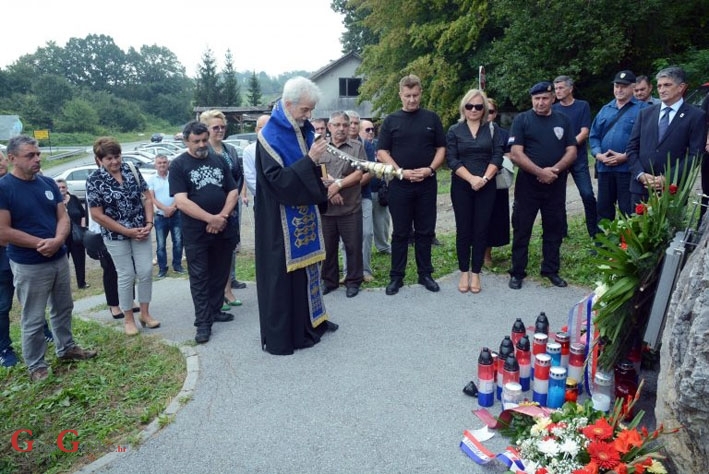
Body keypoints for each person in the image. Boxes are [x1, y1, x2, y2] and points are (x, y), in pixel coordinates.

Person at [0, 135, 97, 381]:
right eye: (30, 155)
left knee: (63, 307)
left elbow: (63, 217)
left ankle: (66, 348)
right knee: (33, 317)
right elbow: (3, 230)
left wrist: (56, 241)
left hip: (57, 258)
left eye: (38, 154)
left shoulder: (48, 183)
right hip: (29, 263)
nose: (37, 159)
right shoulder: (4, 188)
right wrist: (40, 244)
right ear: (12, 159)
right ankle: (36, 366)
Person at [255, 76, 338, 355]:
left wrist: (320, 183)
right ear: (289, 104)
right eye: (305, 110)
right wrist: (311, 161)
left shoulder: (301, 129)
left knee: (309, 271)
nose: (309, 115)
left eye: (311, 110)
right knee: (286, 278)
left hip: (304, 214)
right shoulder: (269, 137)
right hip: (279, 222)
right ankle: (289, 333)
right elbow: (278, 182)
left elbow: (307, 170)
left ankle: (313, 323)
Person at [170, 120, 240, 344]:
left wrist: (222, 217)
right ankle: (202, 323)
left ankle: (215, 309)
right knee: (200, 277)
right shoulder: (179, 165)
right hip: (197, 233)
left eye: (204, 140)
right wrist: (210, 219)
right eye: (196, 141)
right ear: (186, 140)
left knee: (220, 273)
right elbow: (181, 201)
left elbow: (232, 191)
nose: (201, 145)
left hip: (223, 228)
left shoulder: (218, 160)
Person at [377, 74, 446, 295]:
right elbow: (381, 152)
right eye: (407, 96)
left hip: (427, 183)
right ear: (400, 95)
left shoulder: (431, 119)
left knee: (425, 231)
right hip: (400, 185)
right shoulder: (391, 121)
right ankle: (396, 277)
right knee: (400, 233)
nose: (412, 100)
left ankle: (425, 274)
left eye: (415, 95)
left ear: (421, 93)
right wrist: (400, 172)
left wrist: (430, 169)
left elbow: (441, 149)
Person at [86, 137, 160, 336]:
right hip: (115, 236)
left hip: (141, 231)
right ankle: (128, 319)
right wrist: (125, 231)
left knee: (145, 271)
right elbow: (97, 214)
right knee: (126, 274)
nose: (114, 162)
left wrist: (149, 223)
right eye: (109, 158)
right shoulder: (94, 180)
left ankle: (145, 314)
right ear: (99, 160)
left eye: (117, 156)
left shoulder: (131, 169)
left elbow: (147, 197)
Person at [508, 82, 577, 290]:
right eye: (536, 99)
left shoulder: (563, 120)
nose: (540, 102)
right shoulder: (522, 120)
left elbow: (572, 151)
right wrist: (540, 172)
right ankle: (517, 272)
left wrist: (553, 171)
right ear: (532, 100)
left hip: (556, 184)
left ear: (552, 99)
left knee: (554, 228)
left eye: (544, 98)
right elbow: (515, 153)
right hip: (528, 184)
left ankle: (551, 270)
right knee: (522, 228)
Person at [446, 89, 504, 293]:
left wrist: (485, 178)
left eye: (479, 107)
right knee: (464, 229)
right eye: (470, 106)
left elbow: (497, 156)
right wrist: (471, 179)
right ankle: (464, 271)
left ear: (484, 109)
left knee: (481, 229)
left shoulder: (492, 129)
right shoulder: (455, 130)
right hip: (462, 185)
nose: (474, 110)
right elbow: (451, 159)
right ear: (464, 107)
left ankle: (476, 272)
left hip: (486, 186)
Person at [626, 66, 706, 205]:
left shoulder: (696, 116)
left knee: (671, 227)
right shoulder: (645, 114)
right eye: (659, 86)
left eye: (667, 85)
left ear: (681, 87)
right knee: (639, 227)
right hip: (641, 188)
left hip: (672, 189)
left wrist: (667, 178)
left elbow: (695, 155)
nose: (662, 90)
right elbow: (632, 148)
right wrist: (640, 175)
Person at [199, 110, 245, 307]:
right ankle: (214, 293)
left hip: (231, 208)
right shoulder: (202, 151)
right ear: (206, 130)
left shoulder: (230, 150)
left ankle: (227, 289)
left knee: (228, 250)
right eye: (215, 127)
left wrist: (233, 202)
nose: (219, 130)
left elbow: (238, 176)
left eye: (222, 127)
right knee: (211, 252)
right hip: (210, 211)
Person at [589, 70, 647, 222]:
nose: (619, 90)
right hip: (605, 168)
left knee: (628, 209)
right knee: (603, 208)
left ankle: (627, 244)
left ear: (633, 87)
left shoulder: (643, 110)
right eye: (617, 86)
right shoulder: (605, 110)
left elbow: (646, 140)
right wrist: (598, 154)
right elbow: (593, 136)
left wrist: (626, 156)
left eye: (624, 86)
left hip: (627, 169)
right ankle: (603, 244)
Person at [320, 111, 365, 297]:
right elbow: (317, 171)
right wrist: (330, 193)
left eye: (345, 125)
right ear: (329, 127)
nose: (341, 129)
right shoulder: (320, 147)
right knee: (328, 248)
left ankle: (353, 281)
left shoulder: (356, 147)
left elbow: (359, 172)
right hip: (327, 209)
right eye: (337, 125)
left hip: (350, 208)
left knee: (353, 246)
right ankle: (329, 281)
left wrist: (337, 185)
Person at [552, 75, 598, 238]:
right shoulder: (554, 109)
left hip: (578, 159)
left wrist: (569, 147)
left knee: (587, 194)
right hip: (559, 160)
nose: (557, 91)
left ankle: (594, 231)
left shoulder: (582, 106)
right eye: (556, 88)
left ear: (570, 89)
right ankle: (561, 232)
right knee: (558, 197)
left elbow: (585, 132)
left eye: (561, 88)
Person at [343, 109, 374, 283]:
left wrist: (350, 184)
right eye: (350, 123)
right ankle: (348, 271)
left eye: (356, 123)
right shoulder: (335, 144)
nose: (353, 126)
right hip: (343, 198)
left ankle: (365, 270)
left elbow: (370, 171)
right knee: (345, 237)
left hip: (364, 195)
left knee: (367, 233)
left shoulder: (366, 145)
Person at [483, 98, 511, 267]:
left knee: (494, 218)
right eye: (484, 110)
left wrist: (494, 165)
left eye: (491, 111)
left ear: (496, 113)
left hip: (496, 181)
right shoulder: (470, 131)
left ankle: (487, 254)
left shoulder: (503, 134)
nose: (487, 115)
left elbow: (509, 155)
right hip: (474, 181)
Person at [148, 154, 184, 279]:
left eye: (164, 162)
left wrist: (173, 208)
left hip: (176, 214)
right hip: (160, 216)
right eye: (159, 163)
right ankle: (162, 269)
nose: (162, 165)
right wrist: (165, 209)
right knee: (161, 244)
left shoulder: (174, 176)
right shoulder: (151, 179)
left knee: (178, 242)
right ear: (155, 165)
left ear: (168, 163)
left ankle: (177, 265)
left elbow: (179, 194)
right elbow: (152, 198)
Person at [361, 120, 392, 256]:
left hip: (379, 188)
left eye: (372, 129)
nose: (371, 132)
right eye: (367, 130)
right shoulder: (358, 147)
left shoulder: (378, 146)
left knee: (382, 221)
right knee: (365, 228)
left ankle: (383, 246)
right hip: (364, 190)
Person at [55, 178, 88, 289]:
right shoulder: (55, 203)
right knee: (63, 263)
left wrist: (82, 228)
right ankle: (64, 287)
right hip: (63, 237)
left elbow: (83, 214)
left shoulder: (73, 199)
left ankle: (82, 283)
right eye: (58, 188)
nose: (61, 189)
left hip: (77, 236)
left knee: (80, 260)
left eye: (63, 187)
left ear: (67, 188)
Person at [241, 114, 271, 204]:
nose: (267, 131)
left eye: (269, 127)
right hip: (262, 199)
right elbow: (250, 178)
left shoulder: (280, 148)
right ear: (256, 130)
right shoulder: (249, 150)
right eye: (262, 128)